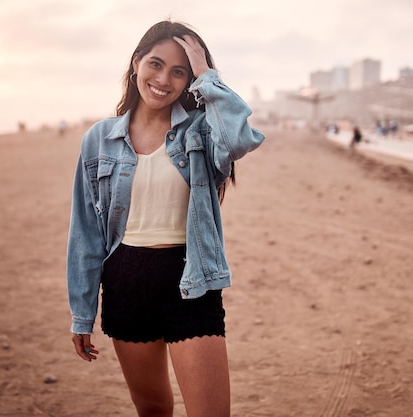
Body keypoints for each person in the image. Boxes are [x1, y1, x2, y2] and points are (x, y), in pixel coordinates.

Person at [66, 20, 265, 417]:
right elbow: (86, 232)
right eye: (155, 64)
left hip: (191, 281)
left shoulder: (201, 131)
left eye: (179, 71)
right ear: (136, 63)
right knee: (154, 409)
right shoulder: (99, 138)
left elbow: (241, 138)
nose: (163, 79)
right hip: (125, 282)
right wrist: (82, 312)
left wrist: (207, 76)